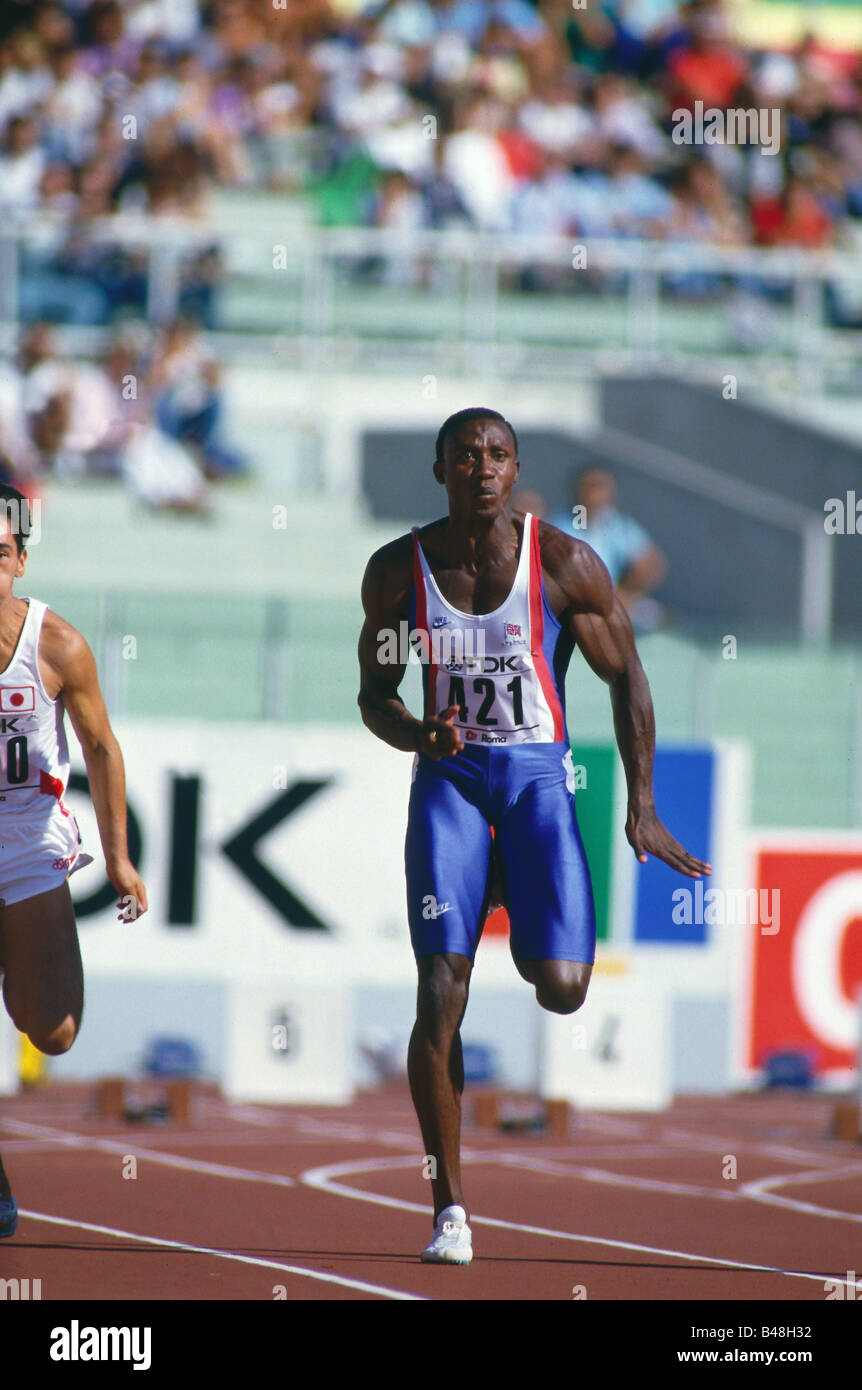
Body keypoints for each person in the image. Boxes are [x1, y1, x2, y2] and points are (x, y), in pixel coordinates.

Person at [357, 407, 710, 1264]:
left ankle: (511, 877)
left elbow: (628, 676)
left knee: (562, 988)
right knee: (441, 989)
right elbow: (375, 695)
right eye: (466, 455)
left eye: (498, 454)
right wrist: (418, 736)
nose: (482, 467)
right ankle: (450, 1209)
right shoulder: (400, 572)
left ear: (515, 470)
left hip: (536, 783)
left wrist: (644, 804)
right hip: (449, 784)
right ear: (440, 469)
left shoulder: (563, 563)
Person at [0, 483, 147, 1239]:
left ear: (19, 560)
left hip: (27, 842)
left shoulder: (56, 646)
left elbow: (100, 747)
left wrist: (118, 859)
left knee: (53, 1032)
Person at [549, 467, 667, 629]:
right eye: (592, 487)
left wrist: (623, 593)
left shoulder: (617, 525)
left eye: (602, 488)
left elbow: (651, 563)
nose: (597, 495)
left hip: (609, 599)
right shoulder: (561, 524)